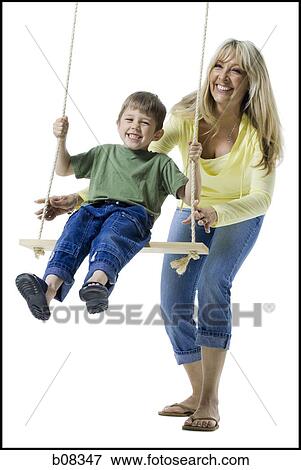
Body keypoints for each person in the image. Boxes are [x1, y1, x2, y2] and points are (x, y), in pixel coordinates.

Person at [33, 39, 283, 432]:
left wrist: (217, 211)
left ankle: (211, 401)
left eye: (236, 70)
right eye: (219, 66)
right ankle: (198, 394)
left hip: (236, 214)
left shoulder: (259, 134)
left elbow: (261, 197)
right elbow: (137, 169)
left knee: (215, 284)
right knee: (173, 300)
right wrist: (79, 199)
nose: (224, 76)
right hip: (190, 210)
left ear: (251, 80)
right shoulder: (187, 117)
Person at [16, 91, 202, 321]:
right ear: (118, 123)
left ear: (157, 133)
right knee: (72, 236)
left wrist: (195, 163)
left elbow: (192, 195)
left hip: (132, 214)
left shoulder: (160, 163)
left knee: (111, 237)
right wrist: (61, 140)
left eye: (144, 123)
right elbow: (63, 169)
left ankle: (97, 283)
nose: (135, 126)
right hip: (91, 209)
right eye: (129, 119)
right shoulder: (103, 152)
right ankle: (48, 290)